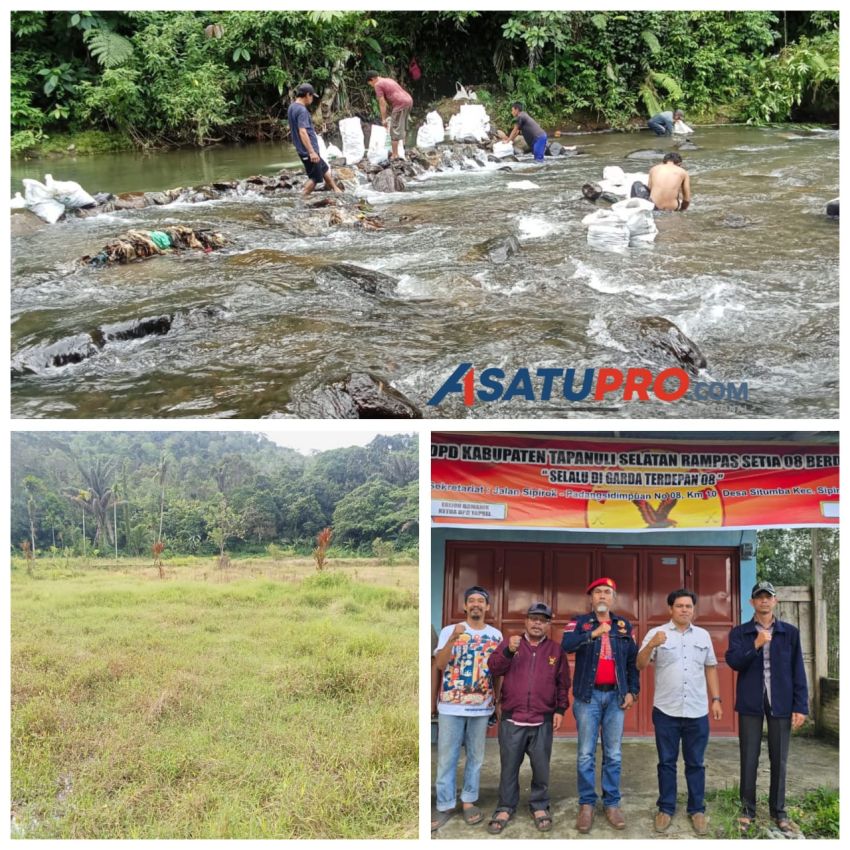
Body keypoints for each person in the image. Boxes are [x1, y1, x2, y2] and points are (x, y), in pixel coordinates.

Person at [637, 589, 723, 836]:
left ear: (693, 609)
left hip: (697, 711)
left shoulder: (703, 636)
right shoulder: (656, 634)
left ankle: (697, 810)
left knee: (696, 763)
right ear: (670, 609)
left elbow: (711, 668)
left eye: (688, 606)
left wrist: (716, 699)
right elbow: (640, 664)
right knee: (666, 762)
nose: (685, 609)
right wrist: (651, 645)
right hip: (666, 710)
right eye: (679, 606)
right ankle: (666, 808)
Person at [726, 582, 809, 836]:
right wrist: (757, 644)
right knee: (749, 757)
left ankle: (779, 812)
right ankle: (747, 810)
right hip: (751, 702)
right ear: (752, 602)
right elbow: (734, 662)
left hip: (781, 701)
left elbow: (798, 670)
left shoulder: (790, 633)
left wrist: (801, 706)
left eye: (768, 597)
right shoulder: (741, 633)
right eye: (759, 598)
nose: (764, 601)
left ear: (775, 602)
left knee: (779, 759)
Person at [562, 577, 639, 833]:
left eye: (607, 592)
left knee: (614, 753)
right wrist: (593, 633)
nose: (603, 596)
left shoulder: (623, 625)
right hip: (588, 697)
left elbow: (632, 662)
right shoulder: (579, 622)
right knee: (585, 753)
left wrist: (632, 691)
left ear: (613, 598)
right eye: (598, 592)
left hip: (616, 697)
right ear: (591, 598)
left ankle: (612, 803)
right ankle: (586, 804)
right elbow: (566, 645)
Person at [486, 603, 570, 835]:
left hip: (542, 720)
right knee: (509, 767)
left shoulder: (555, 650)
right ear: (526, 621)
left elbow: (563, 684)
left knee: (541, 768)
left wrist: (560, 710)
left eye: (542, 620)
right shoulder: (511, 644)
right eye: (533, 618)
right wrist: (507, 652)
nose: (537, 623)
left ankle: (540, 805)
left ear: (548, 625)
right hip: (513, 719)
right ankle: (505, 806)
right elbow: (494, 668)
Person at [432, 586, 503, 833]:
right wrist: (453, 639)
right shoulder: (450, 630)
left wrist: (497, 701)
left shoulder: (496, 635)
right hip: (451, 705)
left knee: (476, 757)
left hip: (481, 707)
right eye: (471, 601)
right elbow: (440, 665)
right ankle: (444, 805)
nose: (475, 604)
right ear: (464, 606)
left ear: (487, 607)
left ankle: (469, 800)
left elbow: (498, 671)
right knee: (447, 757)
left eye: (480, 601)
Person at [286, 83, 343, 196]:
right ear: (307, 95)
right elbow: (303, 131)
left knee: (324, 168)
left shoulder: (292, 107)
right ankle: (302, 198)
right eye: (312, 96)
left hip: (304, 149)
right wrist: (311, 152)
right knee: (315, 178)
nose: (312, 99)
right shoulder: (302, 111)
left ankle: (337, 190)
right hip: (308, 151)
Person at [366, 71, 413, 160]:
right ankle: (403, 148)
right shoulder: (387, 79)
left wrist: (383, 119)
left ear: (372, 79)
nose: (372, 86)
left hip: (400, 104)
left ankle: (395, 154)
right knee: (402, 126)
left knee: (394, 129)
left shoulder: (378, 85)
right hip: (408, 100)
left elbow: (382, 103)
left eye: (370, 84)